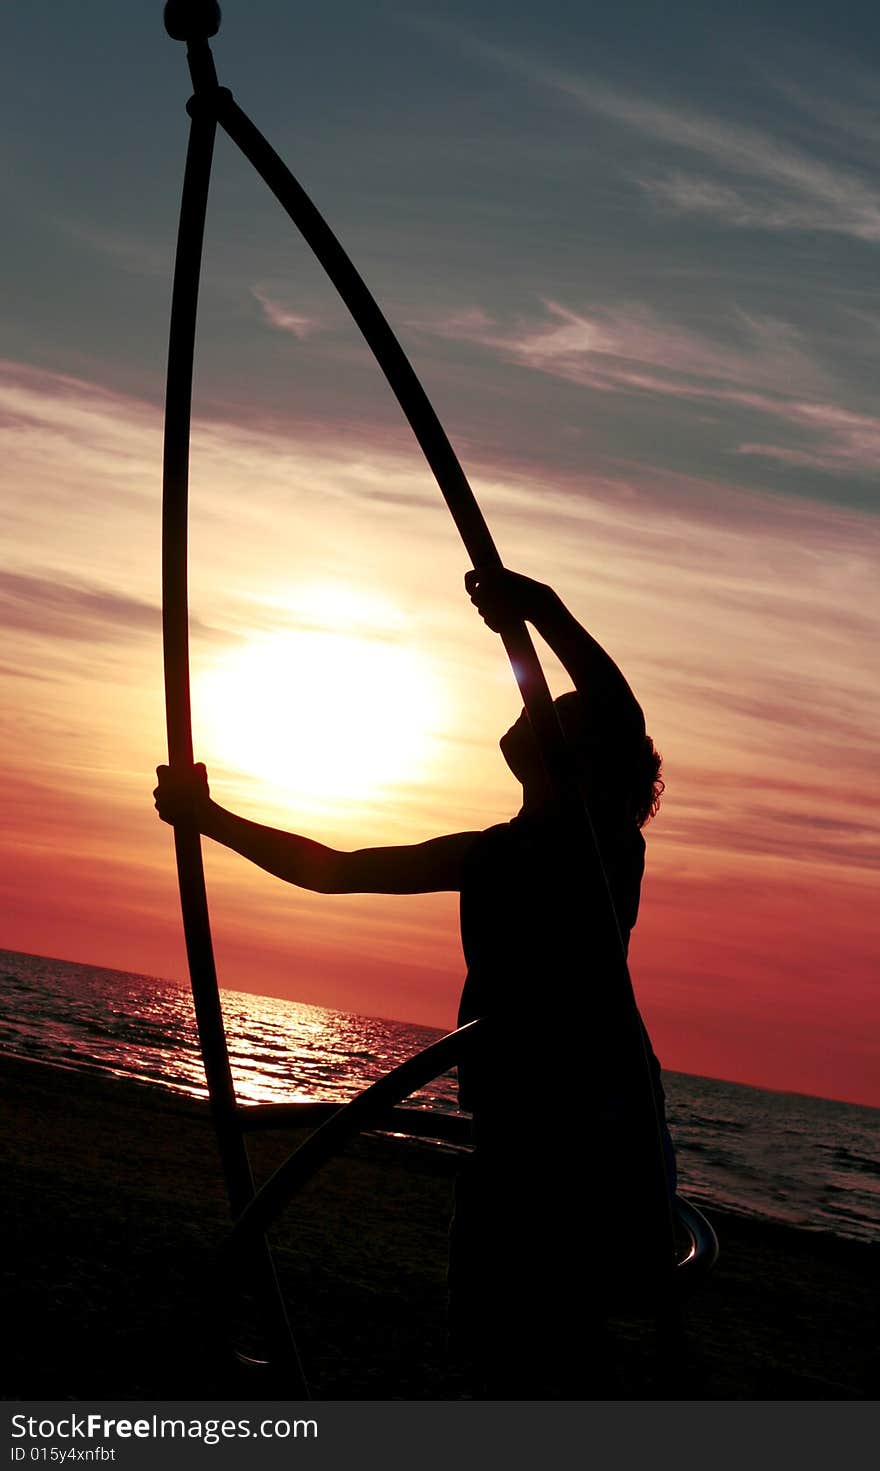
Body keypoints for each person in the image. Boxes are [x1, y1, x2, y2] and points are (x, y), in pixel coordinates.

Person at [154, 568, 673, 1397]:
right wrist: (208, 818)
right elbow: (333, 871)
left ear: (584, 762)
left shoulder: (600, 845)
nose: (542, 708)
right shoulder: (492, 851)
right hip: (514, 1123)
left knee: (547, 1340)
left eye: (561, 714)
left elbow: (619, 711)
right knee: (495, 1334)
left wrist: (540, 609)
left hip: (591, 1129)